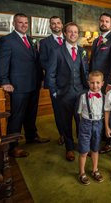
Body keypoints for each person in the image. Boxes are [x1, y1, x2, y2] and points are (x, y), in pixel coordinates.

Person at [0, 13, 49, 158]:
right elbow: (1, 62)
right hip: (17, 85)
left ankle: (32, 136)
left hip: (34, 83)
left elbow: (36, 62)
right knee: (17, 115)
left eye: (26, 23)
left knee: (31, 113)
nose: (24, 25)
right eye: (20, 22)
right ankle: (12, 146)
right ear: (14, 24)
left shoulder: (31, 40)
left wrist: (42, 78)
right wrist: (4, 81)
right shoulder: (7, 40)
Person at [45, 22, 89, 162]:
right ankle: (69, 148)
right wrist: (54, 92)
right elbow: (50, 74)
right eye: (70, 31)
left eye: (75, 32)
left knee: (81, 121)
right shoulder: (57, 51)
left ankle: (82, 145)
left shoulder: (83, 51)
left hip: (81, 92)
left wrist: (88, 89)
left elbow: (86, 72)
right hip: (63, 93)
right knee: (66, 122)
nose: (73, 34)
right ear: (65, 33)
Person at [89, 13, 111, 154]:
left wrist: (109, 83)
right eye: (102, 21)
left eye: (107, 21)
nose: (104, 23)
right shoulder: (96, 40)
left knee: (108, 112)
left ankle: (110, 142)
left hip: (107, 84)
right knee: (99, 111)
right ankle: (102, 137)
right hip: (96, 84)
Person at [39, 16, 65, 146]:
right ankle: (62, 134)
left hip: (70, 83)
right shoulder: (44, 43)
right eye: (53, 24)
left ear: (62, 25)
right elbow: (42, 61)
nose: (56, 25)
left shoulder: (70, 39)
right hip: (55, 82)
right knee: (58, 110)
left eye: (58, 23)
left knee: (73, 110)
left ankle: (75, 134)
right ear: (50, 26)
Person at [77, 71, 105, 185]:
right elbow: (79, 113)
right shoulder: (83, 97)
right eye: (92, 83)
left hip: (98, 124)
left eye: (98, 82)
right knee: (84, 151)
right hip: (85, 124)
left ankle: (95, 170)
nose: (95, 85)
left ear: (102, 83)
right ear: (88, 83)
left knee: (95, 149)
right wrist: (84, 124)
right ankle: (82, 172)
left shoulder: (105, 97)